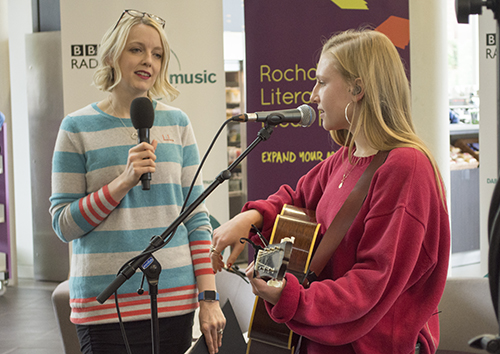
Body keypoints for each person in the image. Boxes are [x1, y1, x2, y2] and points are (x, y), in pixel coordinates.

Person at [211, 29, 450, 354]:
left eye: (323, 82)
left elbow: (372, 283)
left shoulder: (406, 166)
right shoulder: (347, 158)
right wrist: (251, 218)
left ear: (358, 89)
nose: (312, 94)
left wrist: (292, 298)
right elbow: (295, 199)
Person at [50, 9, 225, 354]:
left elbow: (196, 218)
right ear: (113, 54)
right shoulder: (76, 127)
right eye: (136, 50)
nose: (148, 61)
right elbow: (63, 225)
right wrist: (124, 181)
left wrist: (208, 297)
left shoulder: (177, 123)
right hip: (104, 306)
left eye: (157, 54)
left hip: (173, 302)